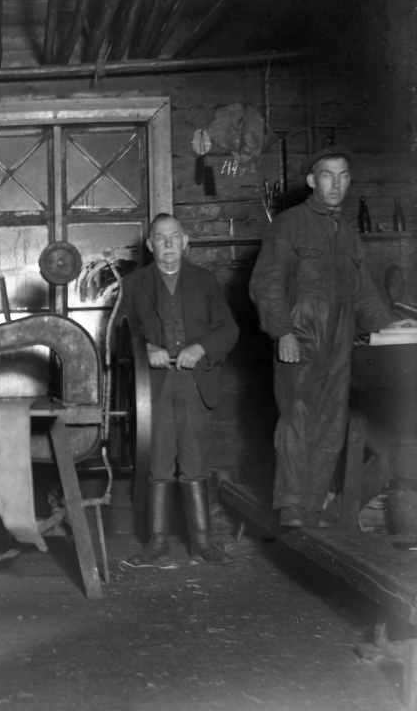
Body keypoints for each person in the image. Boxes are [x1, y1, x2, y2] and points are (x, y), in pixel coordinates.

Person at [249, 147, 417, 529]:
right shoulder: (289, 225)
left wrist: (389, 325)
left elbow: (364, 292)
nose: (336, 184)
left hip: (339, 343)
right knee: (297, 419)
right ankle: (292, 505)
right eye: (327, 175)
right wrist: (282, 332)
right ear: (312, 180)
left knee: (329, 424)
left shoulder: (348, 234)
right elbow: (267, 284)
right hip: (300, 340)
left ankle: (311, 505)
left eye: (343, 176)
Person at [120, 213, 240, 567]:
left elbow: (228, 330)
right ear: (150, 245)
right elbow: (119, 335)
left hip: (194, 382)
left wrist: (200, 348)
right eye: (161, 237)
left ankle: (202, 542)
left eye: (175, 237)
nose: (169, 244)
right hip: (153, 387)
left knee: (195, 462)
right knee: (158, 462)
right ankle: (157, 543)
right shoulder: (134, 285)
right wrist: (146, 351)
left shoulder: (205, 282)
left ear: (186, 242)